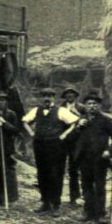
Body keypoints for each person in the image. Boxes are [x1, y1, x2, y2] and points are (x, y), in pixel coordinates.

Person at [23, 87, 79, 217]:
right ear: (41, 98)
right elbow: (25, 121)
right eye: (44, 96)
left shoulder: (61, 111)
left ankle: (56, 204)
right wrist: (31, 132)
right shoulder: (36, 110)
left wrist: (64, 135)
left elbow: (75, 122)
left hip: (56, 146)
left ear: (53, 98)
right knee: (42, 173)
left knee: (56, 173)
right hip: (40, 145)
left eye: (49, 96)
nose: (46, 98)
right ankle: (45, 202)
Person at [73, 91, 112, 224]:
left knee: (99, 186)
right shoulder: (81, 120)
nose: (92, 106)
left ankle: (100, 214)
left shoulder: (106, 120)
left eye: (95, 104)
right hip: (84, 158)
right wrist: (78, 127)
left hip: (99, 158)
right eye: (89, 104)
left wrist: (109, 151)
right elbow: (73, 138)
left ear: (99, 106)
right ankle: (88, 212)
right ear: (85, 106)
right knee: (86, 185)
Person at [60, 86, 87, 206]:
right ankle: (56, 196)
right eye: (67, 94)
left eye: (72, 94)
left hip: (76, 142)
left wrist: (79, 116)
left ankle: (74, 197)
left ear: (76, 96)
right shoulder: (60, 108)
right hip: (62, 140)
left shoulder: (82, 108)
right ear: (64, 96)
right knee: (58, 168)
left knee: (74, 169)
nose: (69, 96)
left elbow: (88, 121)